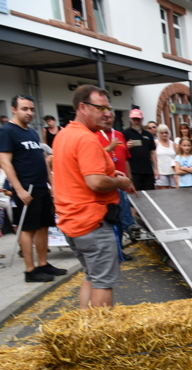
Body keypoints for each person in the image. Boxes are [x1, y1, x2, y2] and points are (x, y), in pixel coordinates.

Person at [51, 84, 136, 308]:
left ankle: (86, 333)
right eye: (100, 108)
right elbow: (95, 182)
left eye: (108, 108)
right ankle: (101, 337)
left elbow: (78, 172)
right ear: (82, 107)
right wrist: (120, 182)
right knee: (103, 284)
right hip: (92, 222)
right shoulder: (87, 138)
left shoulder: (63, 135)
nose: (106, 113)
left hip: (73, 221)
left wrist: (109, 172)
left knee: (92, 277)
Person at [0, 94, 66, 282]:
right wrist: (18, 189)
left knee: (44, 226)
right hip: (25, 189)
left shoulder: (31, 132)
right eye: (24, 109)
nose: (29, 113)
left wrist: (51, 185)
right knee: (28, 230)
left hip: (40, 187)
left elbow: (43, 161)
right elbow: (5, 162)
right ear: (14, 109)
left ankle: (43, 264)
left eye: (31, 109)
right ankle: (30, 270)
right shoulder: (7, 131)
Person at [96, 122, 136, 260]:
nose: (107, 120)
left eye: (110, 117)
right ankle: (111, 253)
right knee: (110, 221)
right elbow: (95, 157)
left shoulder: (119, 135)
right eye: (104, 118)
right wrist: (109, 148)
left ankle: (119, 251)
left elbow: (125, 159)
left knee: (120, 220)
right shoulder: (94, 135)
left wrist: (129, 181)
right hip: (106, 185)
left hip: (121, 184)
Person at [122, 109, 157, 191]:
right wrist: (126, 147)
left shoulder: (148, 134)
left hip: (147, 170)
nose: (136, 121)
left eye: (138, 119)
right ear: (130, 120)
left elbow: (152, 152)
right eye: (134, 119)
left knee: (151, 193)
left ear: (142, 119)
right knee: (136, 194)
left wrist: (156, 169)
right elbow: (120, 151)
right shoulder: (125, 133)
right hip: (133, 170)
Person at [154, 124, 177, 189]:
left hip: (172, 171)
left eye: (166, 132)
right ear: (159, 133)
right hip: (161, 171)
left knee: (175, 192)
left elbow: (177, 156)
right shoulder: (156, 142)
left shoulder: (172, 143)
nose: (164, 134)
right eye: (162, 133)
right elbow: (153, 156)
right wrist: (155, 170)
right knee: (164, 192)